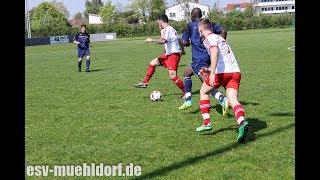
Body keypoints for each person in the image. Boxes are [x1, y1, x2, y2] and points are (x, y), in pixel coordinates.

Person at [196, 18, 250, 143]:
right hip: (235, 72)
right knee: (232, 99)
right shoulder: (220, 38)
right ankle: (242, 122)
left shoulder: (209, 39)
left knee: (203, 91)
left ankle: (207, 122)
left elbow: (214, 53)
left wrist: (212, 73)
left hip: (221, 73)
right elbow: (223, 58)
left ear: (200, 29)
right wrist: (209, 69)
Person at [178, 8, 228, 116]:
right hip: (208, 56)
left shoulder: (190, 25)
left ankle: (222, 99)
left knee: (206, 85)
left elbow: (184, 42)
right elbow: (224, 31)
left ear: (192, 15)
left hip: (199, 59)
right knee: (187, 73)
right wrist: (222, 44)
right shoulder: (208, 23)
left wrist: (183, 43)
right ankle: (188, 100)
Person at [134, 15, 185, 96]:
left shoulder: (168, 29)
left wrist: (152, 40)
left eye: (158, 22)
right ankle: (145, 82)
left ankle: (186, 91)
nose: (158, 24)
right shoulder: (170, 29)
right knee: (152, 63)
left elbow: (163, 41)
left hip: (173, 55)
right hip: (168, 55)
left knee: (173, 76)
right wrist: (183, 50)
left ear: (161, 21)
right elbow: (179, 40)